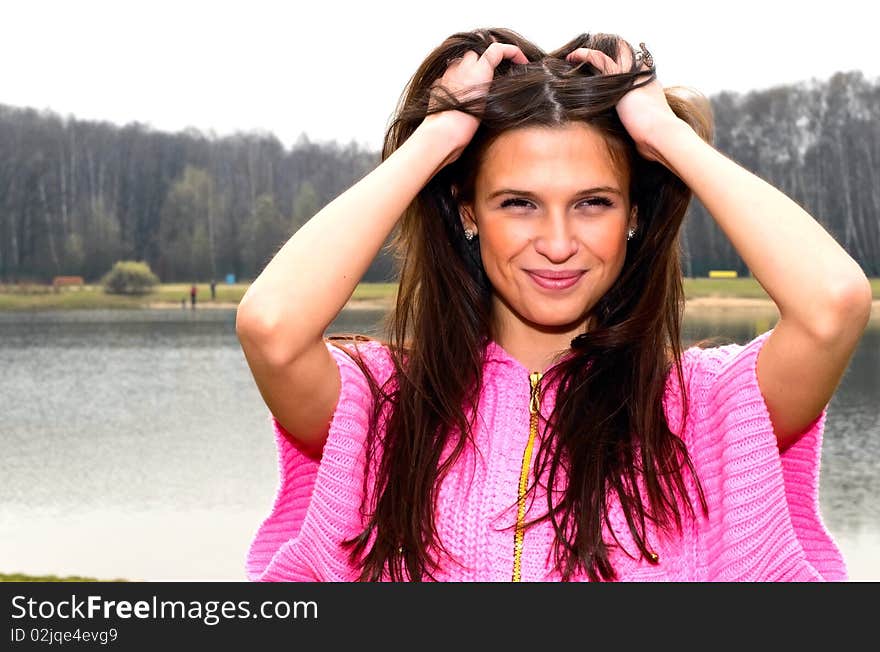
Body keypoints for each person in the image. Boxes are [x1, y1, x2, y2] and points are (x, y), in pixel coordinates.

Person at [236, 29, 871, 582]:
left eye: (593, 202)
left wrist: (663, 134)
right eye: (518, 202)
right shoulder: (383, 409)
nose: (559, 244)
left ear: (632, 216)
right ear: (468, 213)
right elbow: (272, 328)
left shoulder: (705, 411)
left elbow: (834, 303)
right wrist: (436, 138)